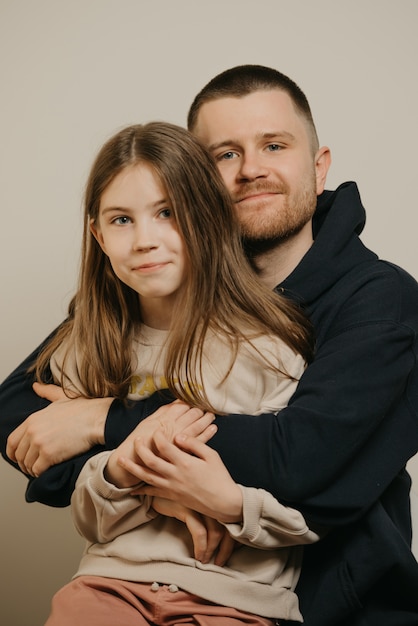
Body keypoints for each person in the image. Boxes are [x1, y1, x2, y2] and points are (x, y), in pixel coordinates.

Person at [1, 65, 418, 625]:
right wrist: (156, 488)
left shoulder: (380, 300)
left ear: (319, 167)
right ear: (195, 182)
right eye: (224, 154)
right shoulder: (163, 280)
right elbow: (19, 411)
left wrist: (105, 420)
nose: (251, 170)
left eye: (274, 145)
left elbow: (300, 462)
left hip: (338, 608)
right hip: (135, 586)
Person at [39, 120, 320, 625]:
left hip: (236, 600)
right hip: (110, 584)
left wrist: (226, 501)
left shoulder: (268, 347)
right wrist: (127, 474)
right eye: (121, 220)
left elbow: (305, 499)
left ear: (209, 217)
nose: (145, 240)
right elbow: (83, 511)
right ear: (98, 236)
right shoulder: (84, 348)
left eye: (166, 213)